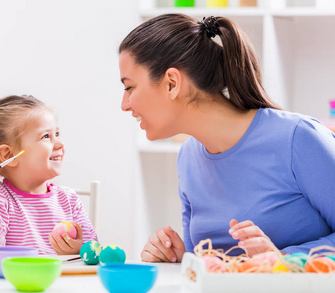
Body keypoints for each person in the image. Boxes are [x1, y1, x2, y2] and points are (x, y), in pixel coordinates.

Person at [118, 14, 335, 263]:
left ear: (171, 83)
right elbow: (217, 268)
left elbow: (269, 265)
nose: (124, 105)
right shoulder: (188, 158)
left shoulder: (299, 139)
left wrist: (286, 260)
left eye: (129, 87)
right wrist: (183, 260)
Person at [0, 95, 97, 255]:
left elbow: (94, 251)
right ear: (8, 155)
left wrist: (79, 249)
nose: (60, 143)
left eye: (57, 134)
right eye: (46, 136)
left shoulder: (69, 200)